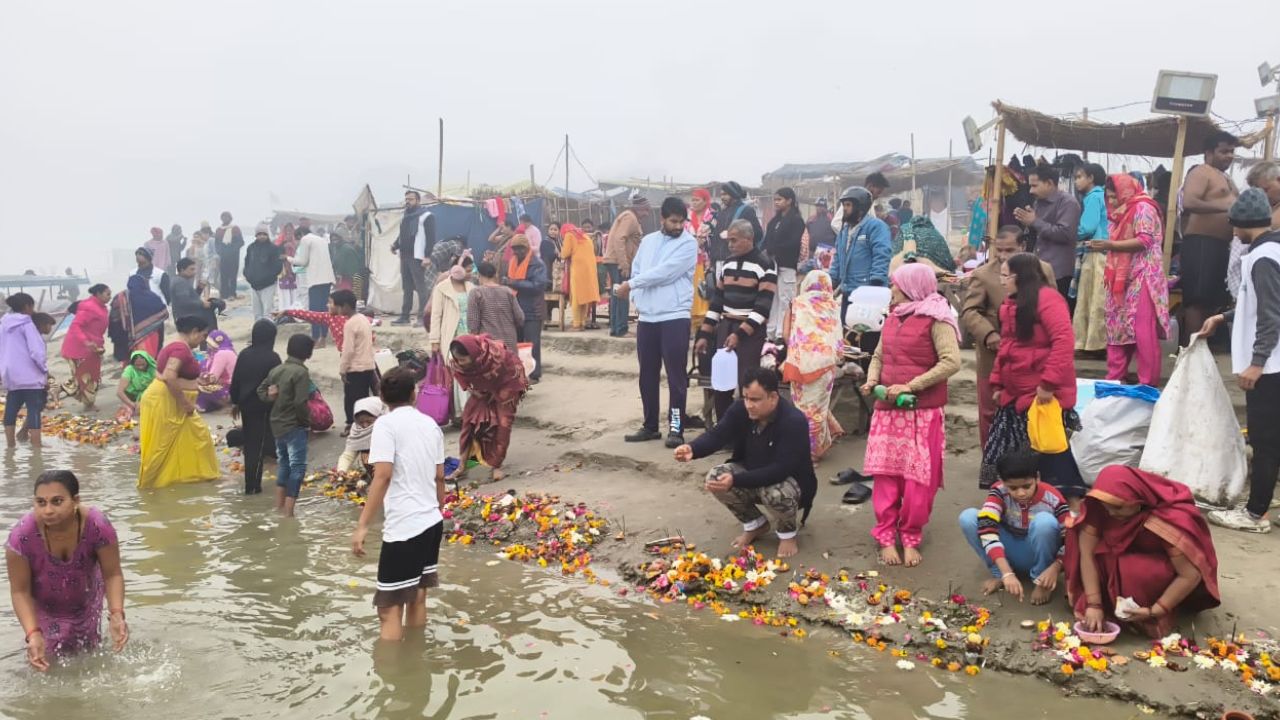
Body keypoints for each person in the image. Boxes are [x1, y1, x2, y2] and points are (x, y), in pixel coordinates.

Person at [860, 264, 961, 566]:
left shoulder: (937, 318)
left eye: (896, 285)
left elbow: (951, 362)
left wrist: (911, 385)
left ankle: (911, 535)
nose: (891, 290)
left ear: (913, 286)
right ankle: (886, 537)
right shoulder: (894, 316)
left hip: (922, 413)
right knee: (886, 475)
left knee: (918, 481)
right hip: (888, 411)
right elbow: (879, 354)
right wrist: (872, 380)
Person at [673, 367, 816, 559]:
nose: (749, 405)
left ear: (773, 397)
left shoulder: (793, 421)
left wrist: (736, 480)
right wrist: (693, 448)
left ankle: (787, 533)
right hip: (752, 471)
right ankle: (756, 524)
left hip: (789, 484)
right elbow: (718, 434)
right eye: (746, 398)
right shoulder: (740, 409)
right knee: (715, 477)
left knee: (774, 490)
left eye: (755, 399)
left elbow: (780, 470)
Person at [1202, 188, 1280, 533]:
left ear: (1240, 224)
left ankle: (1255, 513)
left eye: (1233, 224)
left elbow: (1271, 314)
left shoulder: (1263, 258)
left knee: (1264, 440)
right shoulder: (1271, 250)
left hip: (1271, 365)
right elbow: (1260, 302)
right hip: (1273, 362)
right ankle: (1262, 505)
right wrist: (1225, 317)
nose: (1232, 230)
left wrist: (1257, 362)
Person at [1065, 466, 1219, 638]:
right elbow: (1086, 553)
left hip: (1154, 576)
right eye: (1106, 507)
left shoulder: (1167, 519)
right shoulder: (1099, 508)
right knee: (1082, 539)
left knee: (1132, 569)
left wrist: (1155, 611)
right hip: (1113, 565)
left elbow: (1190, 574)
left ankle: (1147, 617)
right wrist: (1094, 605)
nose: (1111, 513)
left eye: (1118, 508)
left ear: (1137, 501)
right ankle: (1106, 603)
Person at [979, 252, 1085, 502]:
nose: (1002, 281)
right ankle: (1016, 501)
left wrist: (1048, 385)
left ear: (1020, 277)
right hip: (1013, 393)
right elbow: (1007, 346)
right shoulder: (1010, 305)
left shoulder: (1049, 300)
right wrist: (998, 383)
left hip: (1041, 396)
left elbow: (1063, 341)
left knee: (1049, 451)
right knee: (1010, 453)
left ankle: (1068, 507)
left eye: (1006, 276)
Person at [351, 368, 446, 642]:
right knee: (417, 595)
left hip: (405, 527)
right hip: (431, 521)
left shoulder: (385, 425)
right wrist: (437, 511)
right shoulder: (431, 425)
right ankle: (415, 661)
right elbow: (440, 476)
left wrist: (362, 526)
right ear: (414, 394)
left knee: (388, 608)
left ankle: (393, 677)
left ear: (382, 397)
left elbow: (382, 475)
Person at [5, 470, 128, 671]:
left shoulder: (97, 525)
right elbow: (20, 591)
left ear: (76, 501)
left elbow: (112, 573)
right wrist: (33, 633)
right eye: (41, 502)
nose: (48, 511)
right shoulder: (21, 537)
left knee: (90, 655)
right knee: (48, 662)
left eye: (57, 501)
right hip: (44, 604)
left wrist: (116, 614)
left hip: (86, 597)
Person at [614, 197, 698, 446]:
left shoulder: (689, 244)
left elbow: (665, 273)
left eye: (681, 222)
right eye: (673, 221)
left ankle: (676, 428)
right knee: (647, 375)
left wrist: (632, 285)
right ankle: (650, 426)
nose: (677, 226)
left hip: (674, 316)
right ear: (662, 218)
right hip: (648, 318)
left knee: (675, 377)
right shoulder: (648, 241)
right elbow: (638, 270)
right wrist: (638, 297)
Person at [961, 227, 1054, 448]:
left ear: (1023, 247)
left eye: (1009, 250)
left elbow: (1053, 309)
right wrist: (989, 334)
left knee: (1031, 411)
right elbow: (969, 311)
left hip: (1033, 357)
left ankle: (1026, 470)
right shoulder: (983, 274)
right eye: (999, 250)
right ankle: (992, 468)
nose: (1003, 256)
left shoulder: (1043, 270)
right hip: (994, 356)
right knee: (990, 412)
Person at [959, 449, 1068, 605]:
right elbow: (987, 528)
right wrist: (1006, 573)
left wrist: (1056, 567)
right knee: (968, 517)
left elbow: (1072, 539)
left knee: (1045, 522)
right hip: (1008, 549)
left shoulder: (1054, 498)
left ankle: (1041, 579)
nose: (1021, 493)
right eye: (1013, 488)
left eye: (1026, 486)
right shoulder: (998, 491)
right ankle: (999, 574)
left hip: (1038, 552)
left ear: (1037, 477)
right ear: (1002, 482)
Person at [697, 219, 777, 420]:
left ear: (749, 239)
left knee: (747, 385)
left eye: (734, 240)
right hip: (725, 328)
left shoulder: (765, 265)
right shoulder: (727, 264)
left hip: (750, 333)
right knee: (722, 383)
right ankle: (724, 431)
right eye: (728, 241)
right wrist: (705, 333)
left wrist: (739, 334)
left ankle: (746, 432)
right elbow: (717, 302)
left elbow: (762, 308)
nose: (730, 245)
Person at [1095, 174, 1170, 386]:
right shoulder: (1118, 214)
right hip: (1121, 278)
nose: (1111, 202)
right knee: (1116, 326)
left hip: (1143, 274)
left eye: (1113, 196)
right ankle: (1114, 379)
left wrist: (1109, 245)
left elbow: (1144, 240)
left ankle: (1148, 383)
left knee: (1141, 329)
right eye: (1108, 197)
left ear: (1125, 192)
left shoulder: (1143, 208)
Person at [137, 315, 221, 489]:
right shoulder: (180, 349)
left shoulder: (175, 346)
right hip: (166, 401)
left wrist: (197, 383)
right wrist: (184, 402)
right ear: (194, 332)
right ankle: (152, 485)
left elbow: (164, 374)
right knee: (162, 446)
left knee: (194, 438)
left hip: (167, 398)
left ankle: (192, 477)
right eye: (203, 335)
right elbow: (169, 376)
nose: (203, 339)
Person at [282, 289, 376, 435]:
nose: (328, 305)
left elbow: (348, 350)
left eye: (331, 303)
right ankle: (366, 424)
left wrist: (343, 369)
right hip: (368, 362)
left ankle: (353, 425)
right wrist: (288, 312)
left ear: (343, 306)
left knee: (351, 398)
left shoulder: (349, 323)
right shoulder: (362, 319)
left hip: (354, 364)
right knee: (365, 395)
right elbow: (309, 315)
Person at [1180, 131, 1239, 345]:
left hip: (1222, 245)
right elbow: (1190, 202)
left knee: (1213, 302)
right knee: (1198, 301)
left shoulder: (1227, 178)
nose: (1229, 156)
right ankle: (1191, 353)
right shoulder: (1201, 172)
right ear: (1209, 152)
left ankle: (1202, 353)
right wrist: (1226, 207)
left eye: (1232, 152)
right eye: (1224, 151)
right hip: (1201, 244)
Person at [447, 334, 529, 483]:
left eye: (463, 359)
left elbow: (511, 373)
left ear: (473, 354)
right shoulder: (459, 363)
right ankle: (462, 465)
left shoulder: (496, 356)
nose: (460, 363)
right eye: (457, 359)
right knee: (469, 420)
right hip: (482, 387)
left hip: (507, 385)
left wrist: (495, 392)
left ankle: (496, 465)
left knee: (503, 424)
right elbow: (460, 375)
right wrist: (474, 391)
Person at [780, 270, 844, 462]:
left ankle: (811, 451)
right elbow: (838, 340)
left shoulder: (797, 304)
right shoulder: (833, 305)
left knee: (804, 407)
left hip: (800, 363)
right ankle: (814, 449)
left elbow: (785, 334)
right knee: (817, 407)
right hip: (825, 366)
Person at [258, 334, 315, 517]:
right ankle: (289, 512)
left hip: (277, 424)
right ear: (308, 353)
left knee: (283, 464)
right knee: (297, 467)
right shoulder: (301, 373)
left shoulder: (277, 370)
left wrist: (270, 398)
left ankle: (279, 506)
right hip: (294, 425)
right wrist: (306, 422)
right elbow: (300, 403)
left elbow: (261, 390)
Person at [1013, 165, 1081, 301]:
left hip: (1059, 273)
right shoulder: (1038, 203)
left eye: (1034, 185)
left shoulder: (1068, 203)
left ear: (1049, 183)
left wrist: (1034, 221)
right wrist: (1027, 222)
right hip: (1039, 270)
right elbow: (1038, 231)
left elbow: (1065, 233)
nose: (1031, 190)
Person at [229, 320, 280, 495]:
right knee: (258, 446)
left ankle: (250, 485)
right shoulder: (273, 358)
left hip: (245, 406)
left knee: (251, 444)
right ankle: (254, 488)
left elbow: (235, 381)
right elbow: (276, 385)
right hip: (263, 407)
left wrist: (235, 402)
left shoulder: (244, 354)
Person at [830, 186, 892, 323]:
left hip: (867, 293)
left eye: (848, 205)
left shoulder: (876, 227)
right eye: (843, 205)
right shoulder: (844, 231)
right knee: (847, 335)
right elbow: (837, 258)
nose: (844, 209)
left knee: (866, 338)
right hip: (847, 292)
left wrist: (876, 282)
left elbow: (882, 254)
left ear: (860, 207)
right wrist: (831, 281)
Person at [1, 293, 49, 448]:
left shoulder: (3, 324)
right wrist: (44, 369)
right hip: (29, 375)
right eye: (32, 306)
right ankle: (37, 447)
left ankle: (10, 446)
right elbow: (36, 351)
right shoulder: (26, 324)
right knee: (33, 410)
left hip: (10, 374)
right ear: (27, 306)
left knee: (11, 410)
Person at [1072, 163, 1110, 353]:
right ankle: (1093, 343)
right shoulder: (1101, 196)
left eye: (1079, 176)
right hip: (1100, 252)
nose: (1076, 181)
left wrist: (1073, 234)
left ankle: (1093, 344)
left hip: (1096, 253)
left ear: (1091, 178)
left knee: (1093, 298)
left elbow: (1087, 227)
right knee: (1096, 298)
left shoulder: (1094, 197)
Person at [60, 283, 111, 411]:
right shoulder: (88, 307)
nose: (109, 297)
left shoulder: (101, 307)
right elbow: (76, 326)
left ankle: (63, 390)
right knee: (85, 376)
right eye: (107, 294)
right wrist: (86, 342)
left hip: (94, 347)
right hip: (80, 348)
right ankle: (88, 403)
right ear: (98, 294)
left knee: (92, 375)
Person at [763, 187, 805, 340]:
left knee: (785, 300)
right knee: (773, 299)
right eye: (775, 199)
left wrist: (774, 249)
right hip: (772, 265)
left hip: (786, 265)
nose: (776, 202)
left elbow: (793, 243)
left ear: (789, 201)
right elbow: (767, 240)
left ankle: (783, 334)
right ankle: (771, 333)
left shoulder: (796, 221)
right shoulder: (775, 221)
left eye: (779, 199)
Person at [504, 234, 547, 383]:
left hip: (533, 310)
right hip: (516, 309)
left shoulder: (537, 264)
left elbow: (538, 286)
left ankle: (535, 374)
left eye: (520, 249)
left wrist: (515, 283)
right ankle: (519, 372)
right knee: (517, 343)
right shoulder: (512, 262)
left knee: (532, 343)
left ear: (527, 247)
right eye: (514, 249)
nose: (517, 252)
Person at [603, 198, 646, 337]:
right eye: (646, 210)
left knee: (617, 295)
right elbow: (619, 239)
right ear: (639, 208)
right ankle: (621, 329)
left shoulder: (628, 217)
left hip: (614, 260)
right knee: (622, 294)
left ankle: (616, 328)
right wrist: (624, 264)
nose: (647, 214)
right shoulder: (630, 218)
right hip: (618, 261)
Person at [391, 190, 436, 325]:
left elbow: (431, 237)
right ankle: (405, 316)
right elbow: (403, 234)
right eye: (406, 199)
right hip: (405, 256)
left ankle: (423, 317)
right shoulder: (406, 216)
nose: (407, 202)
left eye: (410, 199)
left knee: (421, 287)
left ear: (418, 200)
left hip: (418, 257)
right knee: (407, 287)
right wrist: (395, 245)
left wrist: (427, 256)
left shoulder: (427, 216)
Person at [290, 225, 337, 347]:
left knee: (314, 312)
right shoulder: (321, 240)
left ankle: (315, 338)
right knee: (324, 310)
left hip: (316, 280)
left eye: (297, 239)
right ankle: (324, 338)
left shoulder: (306, 240)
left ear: (300, 235)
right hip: (327, 278)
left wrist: (289, 259)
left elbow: (303, 261)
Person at [108, 275, 168, 365]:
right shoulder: (152, 297)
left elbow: (114, 320)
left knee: (131, 362)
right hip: (151, 335)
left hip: (126, 337)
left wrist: (117, 337)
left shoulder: (120, 297)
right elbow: (162, 314)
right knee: (149, 359)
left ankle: (131, 377)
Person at [468, 261, 524, 353]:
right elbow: (520, 318)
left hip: (489, 346)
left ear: (479, 275)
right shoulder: (508, 291)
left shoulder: (476, 293)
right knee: (509, 366)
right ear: (495, 275)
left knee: (492, 367)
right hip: (509, 344)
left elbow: (473, 325)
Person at [556, 222, 600, 330]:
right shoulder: (584, 235)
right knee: (584, 297)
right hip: (590, 269)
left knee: (576, 297)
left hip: (578, 269)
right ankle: (583, 322)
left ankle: (576, 324)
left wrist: (559, 253)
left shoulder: (569, 235)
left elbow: (565, 253)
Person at [712, 182, 764, 261]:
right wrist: (713, 258)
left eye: (725, 194)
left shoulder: (746, 211)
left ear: (733, 194)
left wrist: (735, 236)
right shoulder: (723, 212)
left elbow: (757, 234)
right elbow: (716, 237)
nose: (722, 197)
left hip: (738, 260)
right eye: (721, 194)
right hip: (720, 260)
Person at [243, 224, 284, 321]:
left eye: (264, 234)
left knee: (268, 311)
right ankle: (258, 332)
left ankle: (268, 332)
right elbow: (247, 263)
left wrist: (267, 278)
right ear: (256, 235)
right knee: (257, 313)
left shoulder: (273, 248)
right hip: (254, 285)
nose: (262, 236)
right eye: (259, 234)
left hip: (268, 285)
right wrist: (248, 276)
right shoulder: (251, 248)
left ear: (267, 235)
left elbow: (277, 267)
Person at [337, 397, 386, 473]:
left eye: (369, 421)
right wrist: (341, 470)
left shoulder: (387, 428)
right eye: (361, 422)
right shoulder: (357, 430)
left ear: (378, 416)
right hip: (373, 472)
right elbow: (348, 455)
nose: (365, 426)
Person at [195, 329, 237, 412]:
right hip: (235, 389)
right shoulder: (229, 350)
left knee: (202, 388)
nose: (208, 345)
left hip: (227, 390)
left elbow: (212, 378)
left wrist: (197, 380)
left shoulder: (221, 354)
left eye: (209, 343)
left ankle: (203, 404)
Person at [171, 258, 218, 332]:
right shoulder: (180, 282)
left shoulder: (181, 280)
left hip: (188, 314)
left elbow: (190, 298)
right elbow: (184, 302)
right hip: (187, 317)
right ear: (182, 270)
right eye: (191, 269)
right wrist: (202, 304)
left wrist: (199, 288)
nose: (194, 272)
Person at [115, 351, 156, 420]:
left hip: (149, 395)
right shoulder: (129, 370)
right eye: (136, 361)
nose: (139, 363)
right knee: (124, 415)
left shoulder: (153, 368)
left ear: (147, 360)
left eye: (142, 360)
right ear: (133, 363)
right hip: (131, 397)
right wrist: (132, 404)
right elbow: (119, 392)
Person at [214, 212, 244, 299]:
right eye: (223, 217)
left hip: (233, 256)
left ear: (230, 218)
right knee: (223, 275)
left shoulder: (235, 229)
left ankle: (232, 293)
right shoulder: (219, 230)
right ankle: (224, 294)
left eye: (227, 217)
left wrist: (232, 250)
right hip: (223, 256)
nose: (225, 219)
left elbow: (240, 242)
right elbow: (217, 243)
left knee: (232, 275)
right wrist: (220, 251)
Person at [275, 223, 300, 312]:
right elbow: (276, 255)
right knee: (284, 292)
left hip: (294, 270)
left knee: (294, 291)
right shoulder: (279, 241)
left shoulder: (296, 241)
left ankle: (294, 311)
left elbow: (299, 255)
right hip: (283, 270)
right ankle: (284, 311)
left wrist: (292, 247)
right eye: (287, 229)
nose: (289, 231)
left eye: (290, 229)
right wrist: (283, 247)